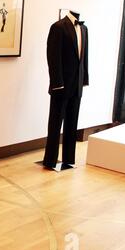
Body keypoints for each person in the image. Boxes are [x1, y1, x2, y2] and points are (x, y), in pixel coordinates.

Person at [43, 10, 89, 170]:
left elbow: (84, 57)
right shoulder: (58, 27)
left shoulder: (84, 29)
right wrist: (57, 82)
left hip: (76, 85)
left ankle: (69, 158)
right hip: (61, 86)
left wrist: (84, 79)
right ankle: (50, 160)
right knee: (55, 124)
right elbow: (52, 57)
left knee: (72, 122)